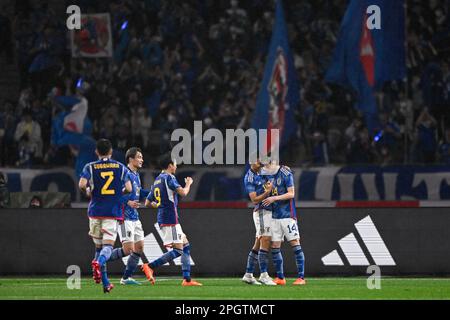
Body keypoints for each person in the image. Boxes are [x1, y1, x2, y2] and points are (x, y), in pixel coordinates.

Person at [78, 139, 132, 293]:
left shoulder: (90, 166)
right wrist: (118, 193)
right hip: (111, 212)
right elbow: (128, 188)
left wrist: (88, 192)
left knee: (99, 247)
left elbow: (82, 185)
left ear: (97, 152)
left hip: (95, 212)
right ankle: (98, 263)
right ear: (111, 151)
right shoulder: (120, 167)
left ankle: (106, 284)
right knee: (107, 248)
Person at [144, 153, 202, 286]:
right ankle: (150, 266)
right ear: (170, 165)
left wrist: (160, 205)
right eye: (175, 163)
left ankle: (186, 280)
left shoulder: (157, 179)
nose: (176, 166)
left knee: (186, 246)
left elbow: (147, 202)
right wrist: (188, 183)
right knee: (178, 250)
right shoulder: (169, 177)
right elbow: (184, 193)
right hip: (170, 218)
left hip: (165, 217)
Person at [101, 147, 152, 285]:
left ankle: (126, 278)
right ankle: (100, 260)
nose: (142, 160)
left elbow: (139, 192)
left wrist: (155, 192)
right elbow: (112, 194)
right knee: (128, 249)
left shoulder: (136, 175)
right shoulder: (123, 173)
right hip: (124, 217)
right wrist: (127, 201)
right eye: (139, 157)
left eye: (142, 157)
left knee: (139, 248)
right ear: (131, 158)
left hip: (135, 216)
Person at [261, 162, 306, 286]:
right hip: (274, 216)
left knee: (295, 244)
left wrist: (274, 198)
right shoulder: (264, 175)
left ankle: (301, 278)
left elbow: (291, 193)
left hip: (288, 216)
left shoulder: (285, 172)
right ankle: (281, 277)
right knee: (275, 246)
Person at [242, 159, 276, 285]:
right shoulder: (249, 178)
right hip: (261, 211)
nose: (260, 163)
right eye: (257, 162)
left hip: (267, 210)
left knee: (258, 242)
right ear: (251, 162)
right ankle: (263, 274)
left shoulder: (261, 173)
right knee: (265, 239)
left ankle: (248, 274)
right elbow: (254, 200)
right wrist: (267, 192)